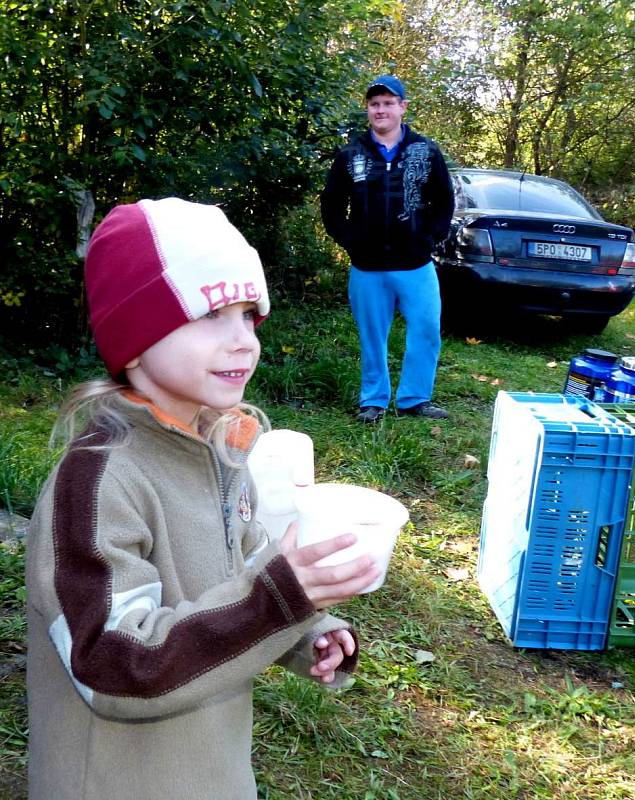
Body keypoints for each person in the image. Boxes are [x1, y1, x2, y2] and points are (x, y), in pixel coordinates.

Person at [25, 198, 381, 800]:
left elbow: (245, 573)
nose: (243, 340)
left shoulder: (220, 451)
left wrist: (307, 628)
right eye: (213, 313)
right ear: (134, 341)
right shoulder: (98, 482)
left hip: (211, 773)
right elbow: (112, 665)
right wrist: (278, 601)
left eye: (249, 315)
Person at [321, 74, 455, 423]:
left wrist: (429, 238)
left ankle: (414, 399)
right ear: (368, 109)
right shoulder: (349, 155)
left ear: (402, 107)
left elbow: (444, 201)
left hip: (415, 264)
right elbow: (332, 207)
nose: (381, 110)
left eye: (388, 103)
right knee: (372, 336)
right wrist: (351, 241)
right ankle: (374, 400)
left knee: (426, 328)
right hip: (367, 267)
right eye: (374, 104)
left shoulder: (426, 151)